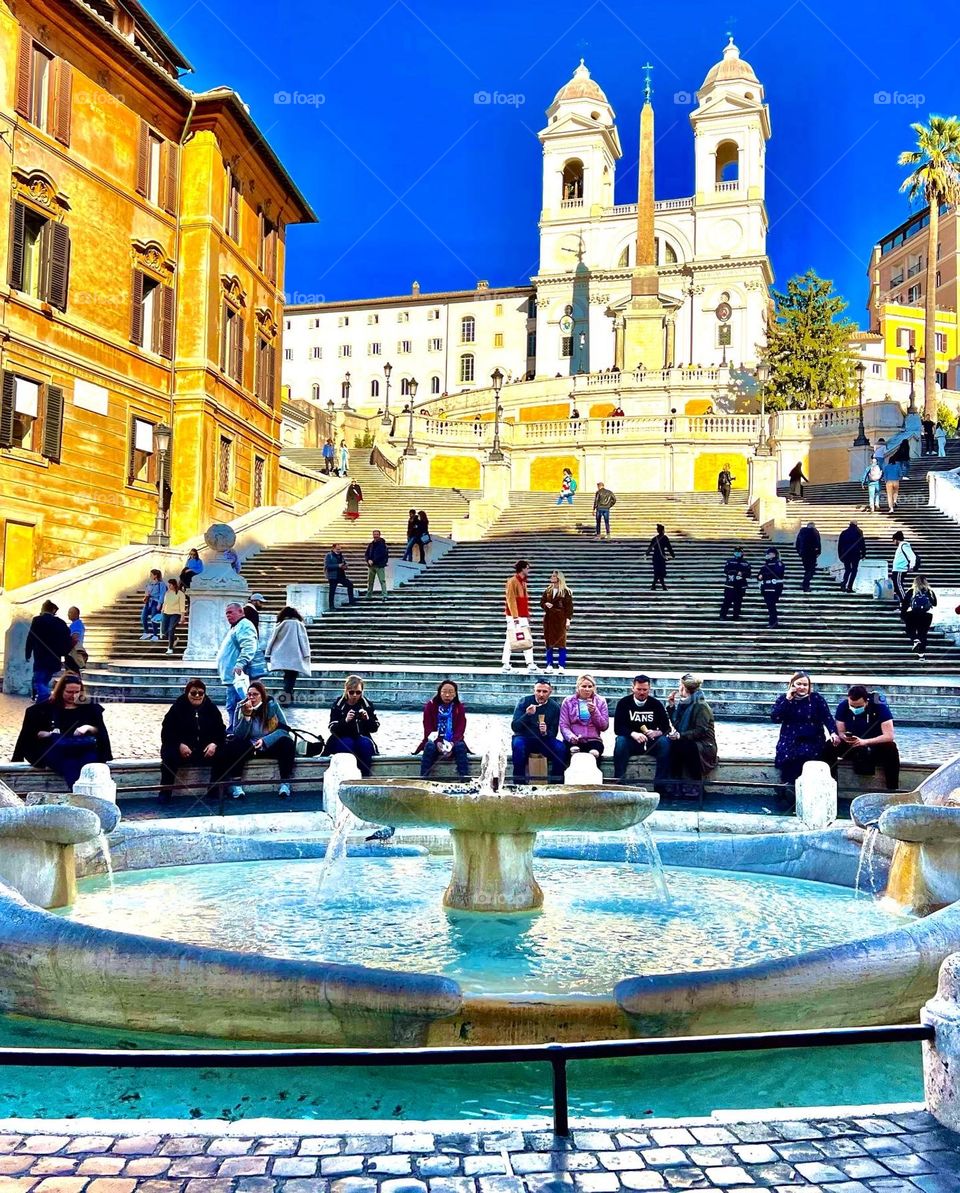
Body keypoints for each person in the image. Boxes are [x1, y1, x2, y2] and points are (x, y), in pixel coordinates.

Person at [12, 672, 112, 789]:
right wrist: (45, 734)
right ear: (60, 691)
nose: (73, 696)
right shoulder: (42, 710)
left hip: (83, 748)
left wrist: (88, 728)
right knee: (70, 765)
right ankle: (79, 795)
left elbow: (100, 731)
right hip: (56, 750)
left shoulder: (90, 708)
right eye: (69, 692)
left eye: (77, 692)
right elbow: (27, 735)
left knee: (88, 765)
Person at [216, 681, 296, 800]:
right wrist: (247, 717)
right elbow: (238, 734)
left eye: (255, 694)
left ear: (262, 695)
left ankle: (285, 783)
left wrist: (266, 741)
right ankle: (237, 785)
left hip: (269, 743)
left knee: (287, 742)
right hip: (249, 745)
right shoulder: (241, 706)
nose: (251, 697)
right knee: (235, 744)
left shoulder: (272, 705)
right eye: (249, 694)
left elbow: (284, 729)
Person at [159, 679, 226, 802]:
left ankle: (214, 790)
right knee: (169, 755)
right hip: (182, 749)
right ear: (187, 693)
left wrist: (214, 744)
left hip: (204, 749)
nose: (197, 696)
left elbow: (220, 730)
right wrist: (180, 744)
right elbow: (167, 733)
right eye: (193, 693)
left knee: (224, 753)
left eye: (200, 693)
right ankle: (165, 792)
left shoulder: (212, 709)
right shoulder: (176, 709)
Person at [771, 671, 841, 787]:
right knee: (790, 756)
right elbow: (775, 718)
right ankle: (789, 788)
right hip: (790, 739)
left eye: (805, 685)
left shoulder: (816, 699)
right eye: (799, 684)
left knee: (805, 754)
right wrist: (788, 700)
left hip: (813, 739)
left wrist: (833, 733)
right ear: (792, 685)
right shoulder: (784, 699)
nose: (802, 687)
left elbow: (827, 717)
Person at [834, 684, 901, 791]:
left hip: (874, 745)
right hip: (852, 744)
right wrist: (845, 738)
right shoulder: (843, 706)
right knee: (829, 746)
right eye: (852, 706)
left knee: (891, 748)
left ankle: (892, 788)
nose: (855, 709)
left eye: (858, 706)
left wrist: (865, 742)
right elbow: (840, 731)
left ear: (866, 701)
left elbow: (889, 736)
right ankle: (832, 784)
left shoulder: (879, 706)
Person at [660, 674, 717, 796]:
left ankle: (696, 785)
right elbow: (678, 725)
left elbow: (701, 731)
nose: (678, 688)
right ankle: (676, 783)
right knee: (672, 744)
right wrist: (671, 706)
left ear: (685, 688)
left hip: (705, 745)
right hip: (690, 740)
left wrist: (680, 736)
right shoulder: (684, 703)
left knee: (685, 746)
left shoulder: (701, 706)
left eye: (680, 685)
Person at [613, 675, 671, 781]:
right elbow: (617, 728)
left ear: (649, 689)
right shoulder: (624, 703)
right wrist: (633, 734)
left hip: (651, 742)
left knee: (664, 742)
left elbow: (667, 728)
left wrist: (656, 732)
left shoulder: (656, 704)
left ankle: (661, 783)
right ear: (633, 688)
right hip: (631, 741)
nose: (642, 692)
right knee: (620, 741)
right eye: (639, 689)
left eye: (645, 690)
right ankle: (619, 780)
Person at [510, 679, 565, 783]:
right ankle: (518, 783)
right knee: (518, 745)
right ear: (534, 690)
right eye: (538, 691)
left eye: (544, 692)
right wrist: (527, 715)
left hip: (543, 740)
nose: (541, 694)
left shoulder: (554, 707)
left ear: (550, 692)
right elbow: (515, 727)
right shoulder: (524, 701)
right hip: (524, 737)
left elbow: (554, 733)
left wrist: (545, 732)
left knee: (560, 747)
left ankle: (555, 782)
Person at [323, 676, 379, 775]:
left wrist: (367, 719)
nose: (354, 695)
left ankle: (364, 775)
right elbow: (332, 728)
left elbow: (374, 728)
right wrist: (345, 720)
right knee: (347, 743)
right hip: (341, 737)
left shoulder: (366, 705)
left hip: (361, 737)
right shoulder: (339, 705)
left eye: (358, 692)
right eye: (351, 692)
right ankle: (347, 776)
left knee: (365, 744)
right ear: (346, 691)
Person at [417, 679, 470, 778]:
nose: (447, 695)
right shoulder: (431, 706)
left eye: (450, 692)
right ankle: (423, 778)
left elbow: (460, 730)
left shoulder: (459, 707)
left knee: (460, 747)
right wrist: (438, 742)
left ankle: (464, 778)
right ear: (439, 693)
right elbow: (428, 729)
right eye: (444, 692)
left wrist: (452, 743)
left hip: (453, 741)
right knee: (429, 746)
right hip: (435, 740)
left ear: (455, 694)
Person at [216, 602, 258, 721]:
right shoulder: (237, 626)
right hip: (231, 676)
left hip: (236, 677)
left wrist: (240, 663)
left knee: (235, 706)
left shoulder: (244, 625)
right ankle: (233, 729)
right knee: (233, 706)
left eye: (230, 612)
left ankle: (235, 731)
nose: (228, 615)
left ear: (240, 612)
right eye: (226, 613)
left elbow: (249, 645)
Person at [25, 600, 72, 702]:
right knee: (44, 681)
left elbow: (31, 637)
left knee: (38, 682)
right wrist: (63, 652)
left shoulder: (37, 620)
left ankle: (47, 697)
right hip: (54, 658)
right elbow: (68, 639)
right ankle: (42, 705)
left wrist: (27, 653)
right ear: (53, 610)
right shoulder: (60, 622)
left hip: (40, 658)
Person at [266, 607, 312, 703]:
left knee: (288, 675)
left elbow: (272, 639)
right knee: (292, 675)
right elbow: (303, 640)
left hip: (281, 654)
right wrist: (306, 653)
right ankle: (287, 695)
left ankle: (288, 694)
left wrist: (268, 652)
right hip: (295, 654)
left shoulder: (280, 624)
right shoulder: (298, 624)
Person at [559, 674, 609, 759]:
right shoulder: (568, 701)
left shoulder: (601, 701)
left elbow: (604, 726)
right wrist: (571, 737)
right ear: (578, 687)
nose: (587, 689)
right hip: (574, 739)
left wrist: (594, 712)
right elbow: (564, 725)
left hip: (593, 740)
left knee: (593, 754)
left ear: (594, 688)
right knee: (575, 751)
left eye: (590, 686)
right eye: (584, 686)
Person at [501, 558, 537, 673]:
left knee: (526, 638)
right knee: (510, 638)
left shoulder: (523, 581)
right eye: (527, 568)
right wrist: (515, 616)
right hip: (514, 616)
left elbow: (524, 600)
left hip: (521, 615)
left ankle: (530, 663)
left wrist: (527, 614)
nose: (528, 570)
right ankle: (506, 663)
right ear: (522, 569)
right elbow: (511, 599)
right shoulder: (512, 581)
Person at [540, 569, 573, 673]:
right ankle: (549, 665)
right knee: (549, 643)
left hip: (560, 619)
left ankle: (561, 666)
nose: (551, 577)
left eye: (553, 576)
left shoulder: (566, 591)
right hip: (549, 620)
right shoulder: (548, 590)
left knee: (561, 643)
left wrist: (568, 620)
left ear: (559, 578)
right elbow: (542, 602)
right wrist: (546, 605)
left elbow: (569, 607)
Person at [900, 574, 937, 659]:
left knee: (909, 629)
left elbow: (905, 605)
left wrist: (903, 615)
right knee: (923, 634)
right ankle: (921, 655)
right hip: (926, 616)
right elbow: (935, 604)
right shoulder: (930, 592)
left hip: (912, 614)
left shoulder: (911, 591)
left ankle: (914, 639)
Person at [719, 547, 751, 619]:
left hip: (740, 585)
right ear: (734, 553)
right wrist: (735, 572)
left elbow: (749, 574)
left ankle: (736, 615)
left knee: (738, 602)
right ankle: (723, 615)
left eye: (739, 552)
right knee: (727, 601)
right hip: (730, 585)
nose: (738, 553)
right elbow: (726, 571)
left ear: (742, 553)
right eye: (736, 552)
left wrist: (742, 574)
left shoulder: (746, 563)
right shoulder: (730, 561)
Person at [757, 547, 785, 628]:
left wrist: (764, 575)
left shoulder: (778, 563)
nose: (767, 555)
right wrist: (759, 577)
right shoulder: (766, 564)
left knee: (771, 605)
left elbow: (777, 573)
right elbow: (759, 574)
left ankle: (773, 622)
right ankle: (773, 621)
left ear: (773, 554)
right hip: (766, 587)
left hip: (774, 587)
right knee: (770, 606)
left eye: (768, 554)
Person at [324, 543, 357, 610]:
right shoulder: (329, 555)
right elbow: (327, 566)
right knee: (332, 591)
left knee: (350, 585)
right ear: (333, 548)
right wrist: (338, 565)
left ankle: (351, 601)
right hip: (333, 576)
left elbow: (343, 563)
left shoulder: (341, 555)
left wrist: (345, 566)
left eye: (340, 549)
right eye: (337, 549)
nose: (339, 550)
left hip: (341, 575)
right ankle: (331, 606)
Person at [837, 522, 867, 594]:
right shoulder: (859, 532)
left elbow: (840, 544)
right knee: (854, 570)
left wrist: (840, 555)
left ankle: (844, 584)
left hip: (846, 553)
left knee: (847, 569)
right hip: (855, 554)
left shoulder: (844, 533)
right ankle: (849, 587)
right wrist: (863, 554)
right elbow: (862, 544)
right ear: (856, 525)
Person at [890, 531, 918, 604]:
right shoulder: (901, 546)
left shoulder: (904, 545)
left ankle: (906, 602)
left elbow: (912, 556)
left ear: (896, 539)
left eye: (893, 540)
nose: (893, 543)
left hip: (900, 569)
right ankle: (902, 602)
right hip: (897, 569)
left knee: (899, 586)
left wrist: (912, 566)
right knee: (896, 587)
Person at [645, 524, 675, 590]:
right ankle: (661, 586)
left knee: (657, 572)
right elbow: (669, 547)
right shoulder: (665, 538)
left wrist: (646, 554)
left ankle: (655, 586)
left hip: (655, 557)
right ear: (663, 530)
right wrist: (672, 555)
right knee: (660, 572)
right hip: (661, 557)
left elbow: (650, 548)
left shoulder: (654, 539)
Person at [160, 578, 186, 655]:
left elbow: (182, 605)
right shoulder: (167, 593)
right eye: (168, 584)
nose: (169, 586)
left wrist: (182, 616)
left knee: (171, 629)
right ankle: (175, 639)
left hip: (175, 613)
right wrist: (162, 610)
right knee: (164, 630)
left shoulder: (180, 594)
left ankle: (170, 648)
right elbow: (165, 603)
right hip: (166, 613)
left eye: (170, 584)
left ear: (174, 585)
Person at [139, 568, 165, 640]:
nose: (150, 576)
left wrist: (159, 604)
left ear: (155, 576)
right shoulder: (149, 584)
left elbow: (162, 594)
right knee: (143, 617)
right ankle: (146, 632)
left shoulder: (161, 584)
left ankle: (155, 634)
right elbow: (146, 592)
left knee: (153, 618)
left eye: (151, 575)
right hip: (148, 602)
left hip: (155, 602)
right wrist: (146, 596)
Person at [795, 521, 821, 592]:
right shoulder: (814, 532)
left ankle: (805, 583)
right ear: (813, 526)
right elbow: (818, 542)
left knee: (807, 570)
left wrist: (799, 552)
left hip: (804, 554)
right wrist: (818, 552)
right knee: (811, 571)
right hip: (812, 554)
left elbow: (797, 543)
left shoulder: (802, 532)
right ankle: (805, 585)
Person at [364, 530, 389, 600]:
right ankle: (369, 595)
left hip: (379, 565)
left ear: (379, 535)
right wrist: (368, 560)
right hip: (371, 566)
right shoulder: (371, 544)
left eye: (377, 534)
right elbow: (366, 554)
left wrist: (373, 560)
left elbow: (382, 555)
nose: (375, 536)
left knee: (382, 580)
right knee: (370, 581)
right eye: (374, 534)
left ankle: (385, 595)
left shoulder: (382, 544)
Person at [66, 606, 88, 673]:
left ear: (76, 614)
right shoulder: (75, 624)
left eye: (70, 612)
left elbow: (75, 637)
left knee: (72, 672)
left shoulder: (77, 624)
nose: (68, 614)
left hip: (73, 652)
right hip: (72, 652)